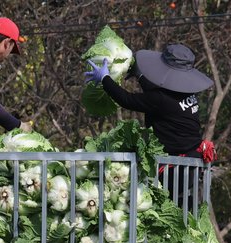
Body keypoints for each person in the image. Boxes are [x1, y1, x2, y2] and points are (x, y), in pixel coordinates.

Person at [83, 43, 213, 160]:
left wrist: (105, 78)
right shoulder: (186, 92)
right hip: (192, 159)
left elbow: (127, 100)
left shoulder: (161, 99)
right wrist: (139, 75)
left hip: (174, 167)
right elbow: (159, 95)